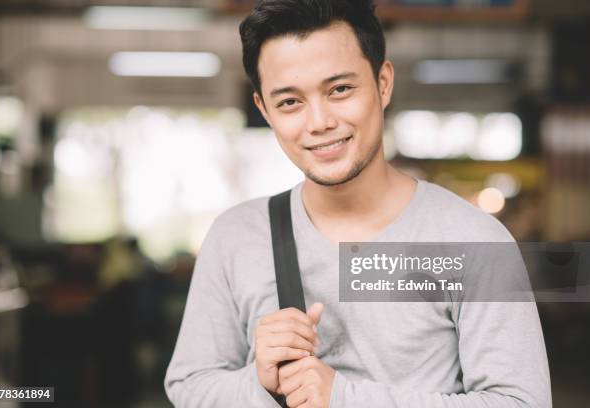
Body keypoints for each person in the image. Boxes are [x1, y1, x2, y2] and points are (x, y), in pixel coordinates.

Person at [164, 0, 551, 407]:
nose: (319, 122)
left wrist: (345, 398)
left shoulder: (475, 241)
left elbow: (522, 402)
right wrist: (259, 384)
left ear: (383, 83)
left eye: (340, 89)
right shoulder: (236, 237)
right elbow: (189, 387)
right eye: (289, 102)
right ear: (264, 109)